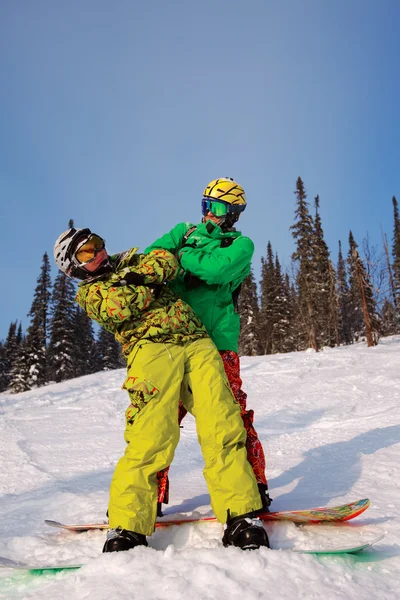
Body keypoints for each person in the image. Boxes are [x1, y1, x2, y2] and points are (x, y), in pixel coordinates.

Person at [53, 227, 269, 553]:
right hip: (151, 349)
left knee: (223, 424)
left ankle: (242, 516)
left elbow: (166, 262)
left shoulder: (131, 259)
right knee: (150, 436)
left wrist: (141, 277)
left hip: (197, 342)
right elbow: (120, 305)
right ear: (74, 267)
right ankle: (128, 526)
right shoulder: (90, 293)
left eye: (96, 243)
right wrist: (147, 280)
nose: (97, 252)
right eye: (86, 252)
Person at [145, 177, 271, 515]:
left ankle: (254, 485)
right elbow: (151, 258)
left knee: (230, 414)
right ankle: (149, 496)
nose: (208, 215)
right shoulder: (184, 231)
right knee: (158, 417)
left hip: (216, 342)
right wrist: (177, 254)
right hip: (174, 340)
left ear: (233, 213)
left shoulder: (240, 245)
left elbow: (216, 271)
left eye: (216, 208)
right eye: (206, 205)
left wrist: (181, 257)